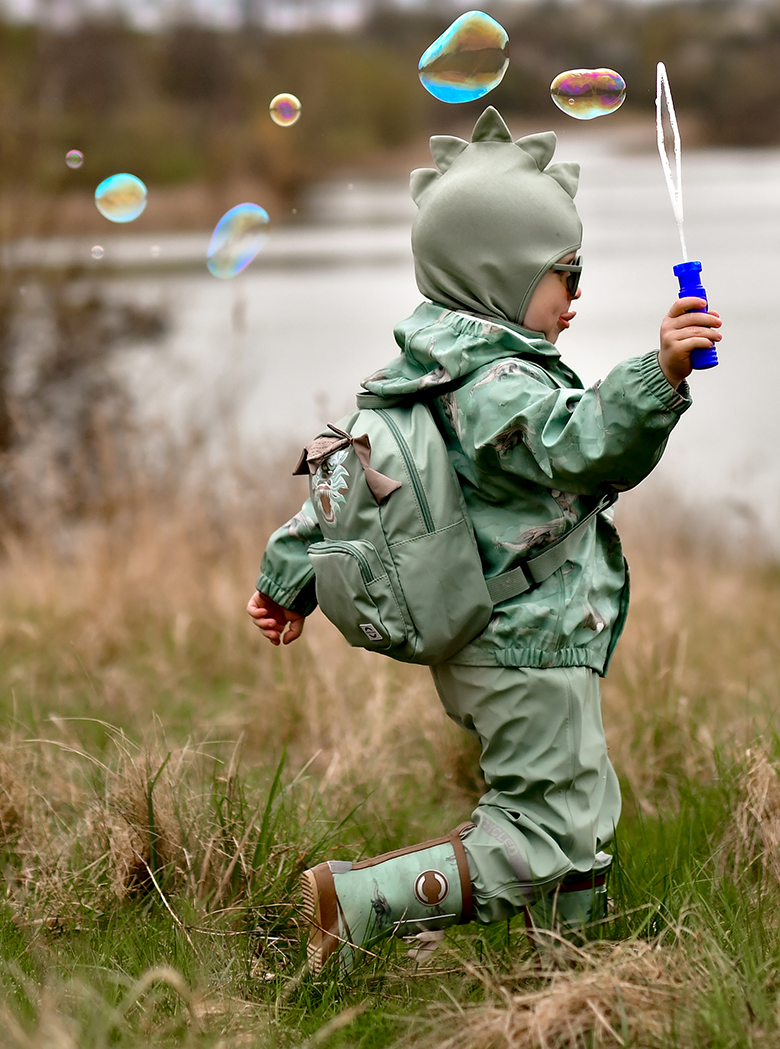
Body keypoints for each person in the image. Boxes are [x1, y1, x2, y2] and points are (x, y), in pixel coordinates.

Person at [247, 107, 721, 973]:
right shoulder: (503, 385)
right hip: (526, 644)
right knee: (544, 832)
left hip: (494, 642)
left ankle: (573, 979)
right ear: (501, 274)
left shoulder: (422, 376)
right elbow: (581, 441)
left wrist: (286, 581)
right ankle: (358, 905)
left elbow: (346, 491)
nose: (577, 297)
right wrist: (660, 375)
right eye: (564, 274)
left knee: (582, 808)